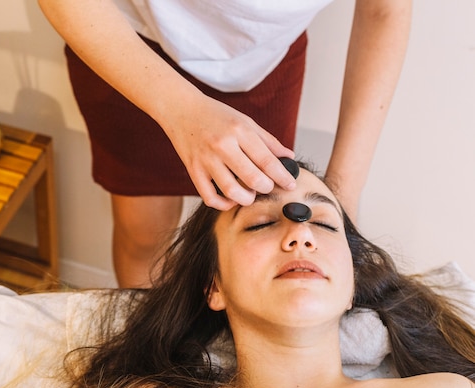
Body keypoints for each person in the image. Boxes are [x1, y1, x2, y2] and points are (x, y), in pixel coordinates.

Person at [0, 162, 475, 388]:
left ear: (352, 288)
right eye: (259, 222)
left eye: (325, 224)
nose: (300, 234)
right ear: (213, 287)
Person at [37, 0, 412, 288]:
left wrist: (342, 193)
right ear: (212, 294)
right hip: (126, 44)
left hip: (262, 59)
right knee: (143, 233)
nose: (302, 238)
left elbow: (385, 10)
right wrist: (180, 109)